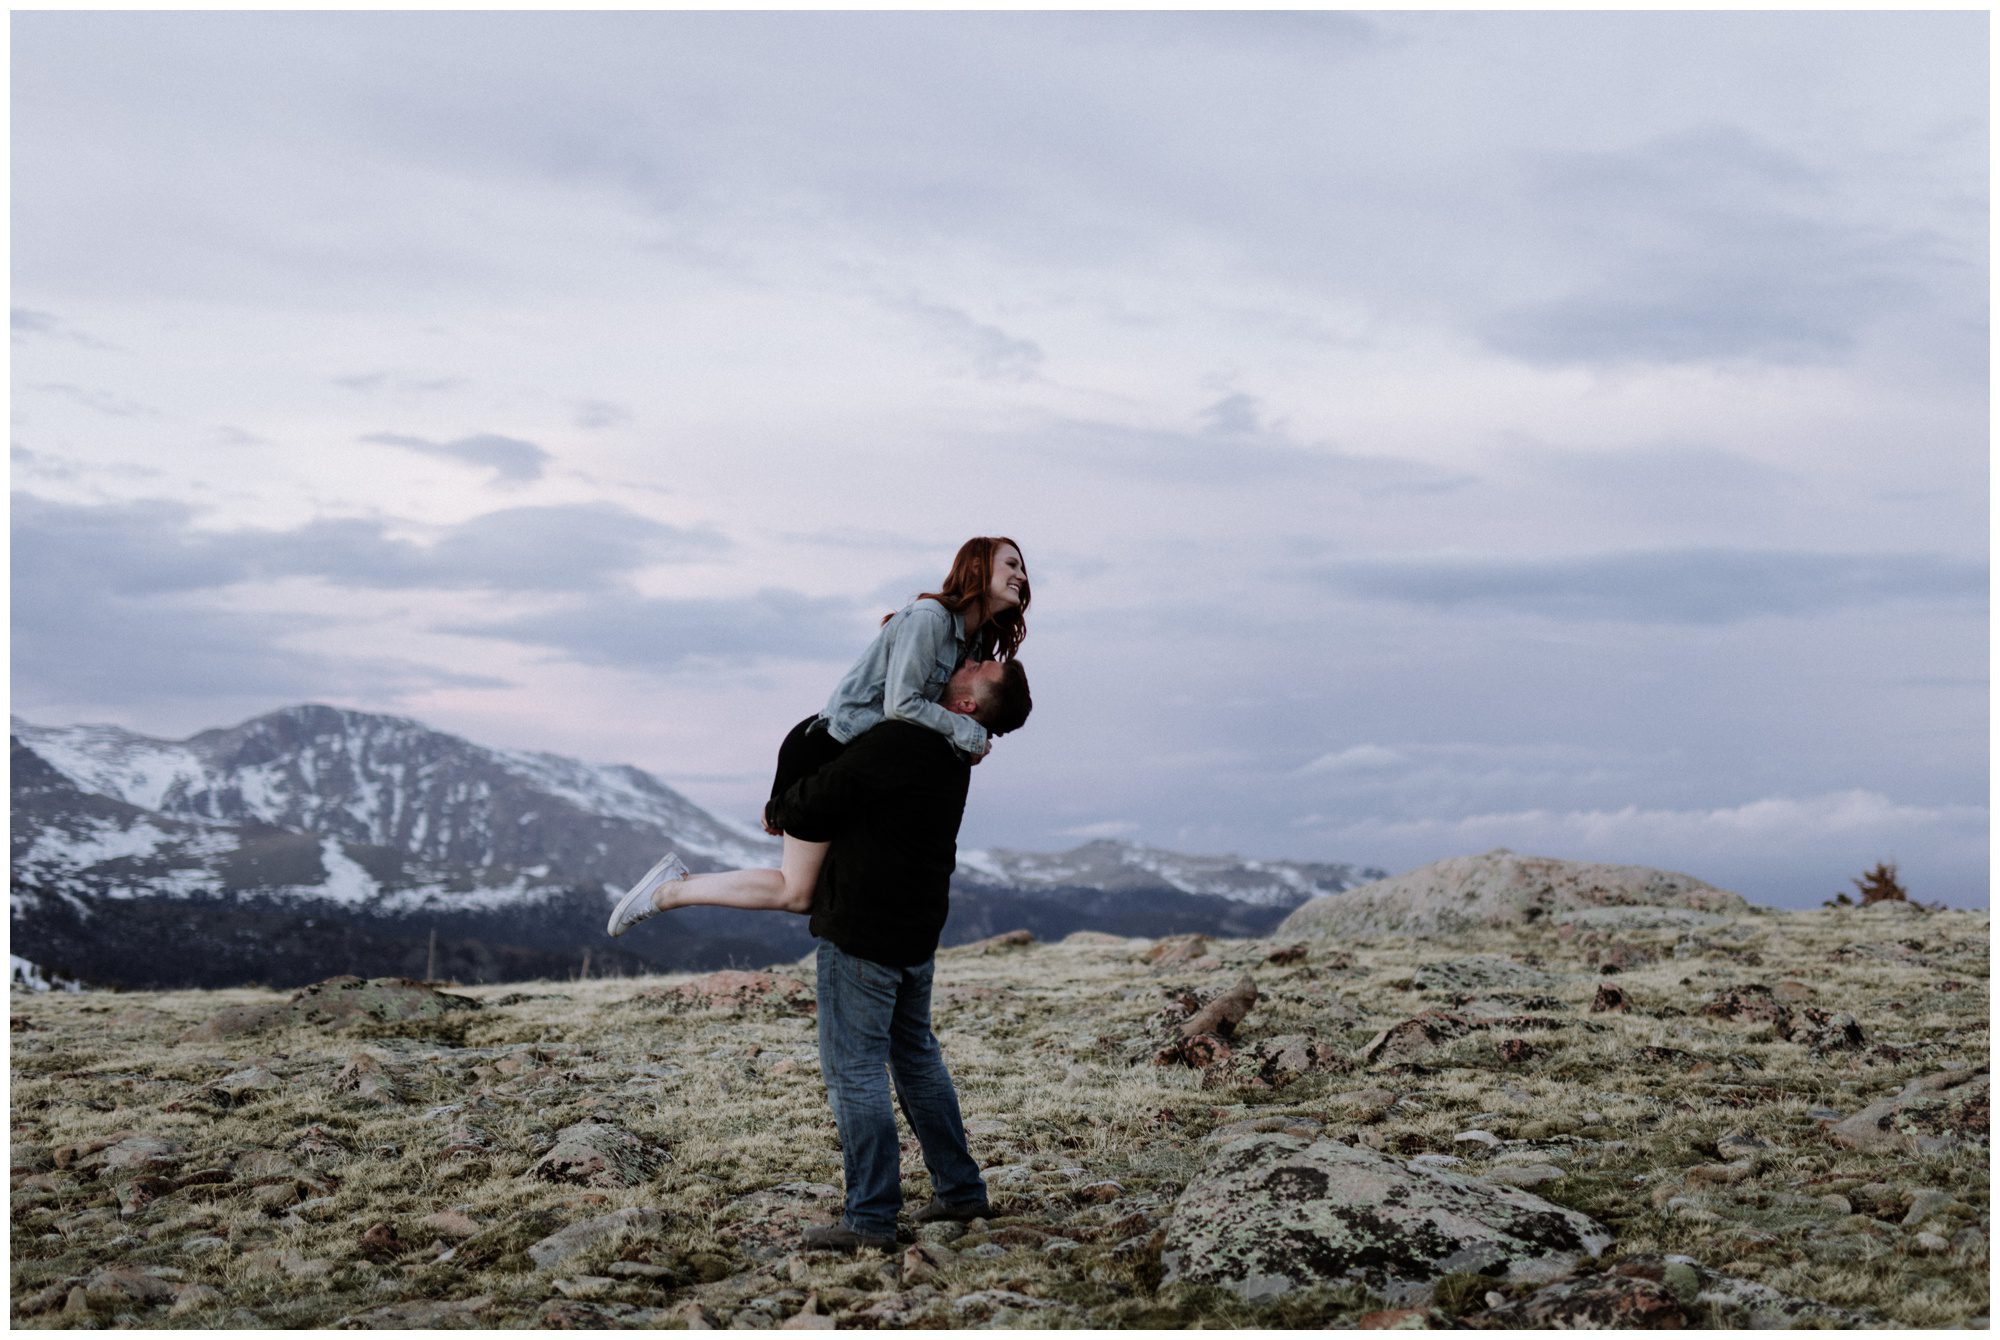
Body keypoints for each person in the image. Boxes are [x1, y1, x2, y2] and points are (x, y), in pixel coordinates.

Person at [607, 536, 1029, 937]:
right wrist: (968, 734)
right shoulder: (930, 619)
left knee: (809, 892)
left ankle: (675, 888)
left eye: (1022, 569)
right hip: (826, 748)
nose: (1022, 576)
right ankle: (668, 892)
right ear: (977, 566)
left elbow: (959, 708)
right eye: (1011, 564)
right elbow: (902, 705)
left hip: (861, 760)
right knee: (798, 892)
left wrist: (970, 733)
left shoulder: (970, 645)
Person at [771, 656, 1032, 1251]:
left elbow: (813, 803)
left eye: (974, 668)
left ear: (967, 704)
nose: (960, 663)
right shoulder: (956, 751)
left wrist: (781, 804)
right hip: (915, 928)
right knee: (915, 1057)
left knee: (855, 1072)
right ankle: (960, 1191)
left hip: (864, 927)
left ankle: (869, 1218)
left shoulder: (904, 738)